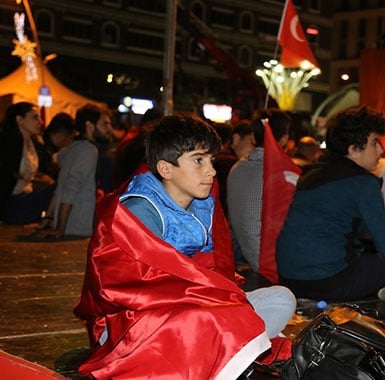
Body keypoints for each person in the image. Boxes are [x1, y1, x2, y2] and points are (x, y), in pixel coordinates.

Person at [73, 113, 295, 379]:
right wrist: (205, 298)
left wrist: (213, 297)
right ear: (166, 169)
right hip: (133, 321)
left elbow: (213, 270)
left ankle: (222, 350)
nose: (211, 171)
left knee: (281, 298)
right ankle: (224, 352)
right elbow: (123, 289)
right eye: (198, 160)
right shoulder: (138, 211)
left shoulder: (202, 203)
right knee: (206, 319)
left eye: (211, 160)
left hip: (192, 307)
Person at [276, 106, 385, 301]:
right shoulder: (363, 182)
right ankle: (375, 290)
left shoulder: (310, 175)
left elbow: (331, 224)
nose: (381, 150)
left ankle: (372, 287)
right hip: (330, 284)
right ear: (353, 150)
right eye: (374, 143)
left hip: (289, 281)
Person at [227, 109, 291, 274]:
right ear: (284, 139)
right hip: (274, 264)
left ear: (254, 137)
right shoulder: (281, 171)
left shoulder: (237, 168)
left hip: (248, 255)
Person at [36, 111, 97, 239]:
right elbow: (69, 188)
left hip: (70, 224)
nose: (110, 129)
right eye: (105, 123)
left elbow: (61, 189)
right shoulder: (87, 151)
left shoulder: (72, 152)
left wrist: (52, 218)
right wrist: (60, 228)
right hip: (78, 226)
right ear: (90, 126)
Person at [0, 102, 55, 224]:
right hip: (13, 204)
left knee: (64, 184)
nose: (40, 122)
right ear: (20, 120)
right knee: (62, 185)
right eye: (35, 117)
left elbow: (48, 169)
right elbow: (5, 177)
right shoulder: (12, 140)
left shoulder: (32, 142)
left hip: (25, 198)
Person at [213, 119, 255, 216]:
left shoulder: (221, 159)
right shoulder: (228, 164)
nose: (255, 150)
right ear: (236, 139)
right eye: (252, 143)